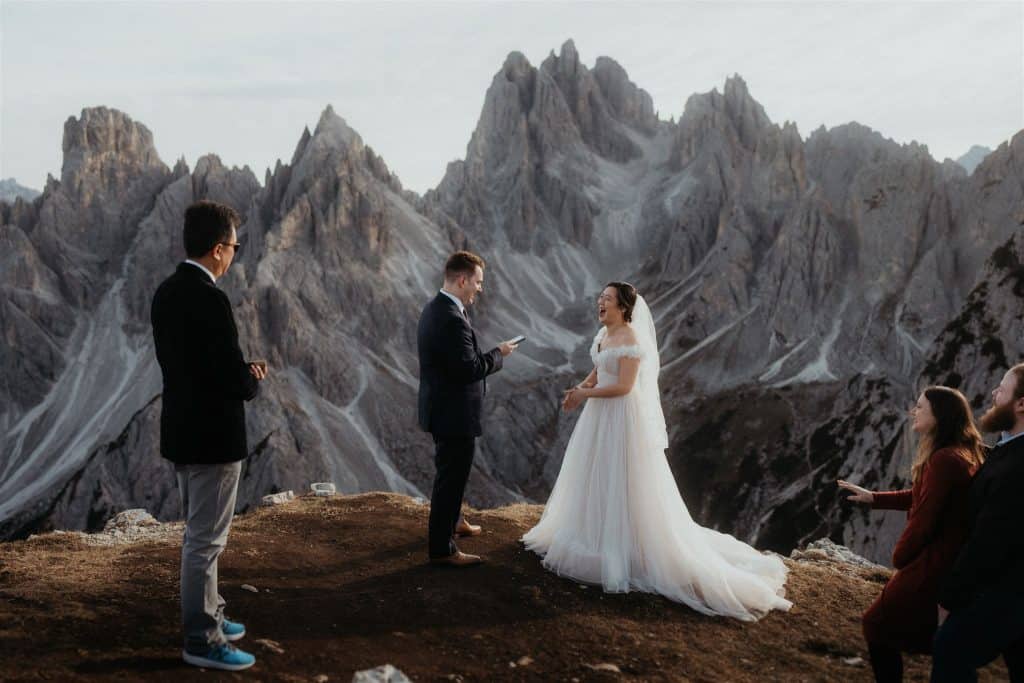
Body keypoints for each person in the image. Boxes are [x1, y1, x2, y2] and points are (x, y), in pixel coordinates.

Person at [522, 282, 791, 620]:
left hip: (620, 417)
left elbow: (623, 386)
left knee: (623, 478)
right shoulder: (604, 335)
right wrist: (580, 387)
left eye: (607, 299)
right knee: (594, 473)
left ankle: (626, 547)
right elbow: (599, 368)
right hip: (599, 416)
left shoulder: (632, 340)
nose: (600, 303)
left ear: (623, 308)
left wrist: (585, 396)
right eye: (600, 299)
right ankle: (591, 534)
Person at [151, 200, 267, 671]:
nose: (236, 253)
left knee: (201, 536)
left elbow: (190, 366)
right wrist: (252, 378)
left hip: (181, 431)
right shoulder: (210, 297)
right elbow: (226, 375)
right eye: (236, 245)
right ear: (219, 249)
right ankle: (202, 639)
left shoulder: (165, 292)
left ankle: (213, 612)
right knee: (205, 540)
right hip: (214, 438)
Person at [838, 386, 984, 682]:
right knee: (931, 636)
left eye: (920, 407)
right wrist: (875, 498)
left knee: (877, 624)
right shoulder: (959, 452)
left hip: (934, 563)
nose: (913, 411)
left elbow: (924, 519)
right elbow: (923, 495)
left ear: (939, 416)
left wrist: (901, 558)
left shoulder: (944, 459)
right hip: (948, 560)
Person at [417, 251, 518, 566]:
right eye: (477, 282)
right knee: (452, 477)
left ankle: (455, 521)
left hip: (441, 409)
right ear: (462, 280)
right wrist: (498, 354)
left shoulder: (436, 308)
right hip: (453, 415)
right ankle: (442, 550)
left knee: (450, 472)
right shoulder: (450, 318)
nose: (480, 288)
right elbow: (468, 369)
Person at [931, 365, 1024, 682]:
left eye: (1002, 388)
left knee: (950, 649)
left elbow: (989, 539)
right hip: (1010, 589)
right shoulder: (1010, 448)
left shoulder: (1017, 466)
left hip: (1007, 591)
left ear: (1021, 403)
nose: (994, 394)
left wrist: (950, 596)